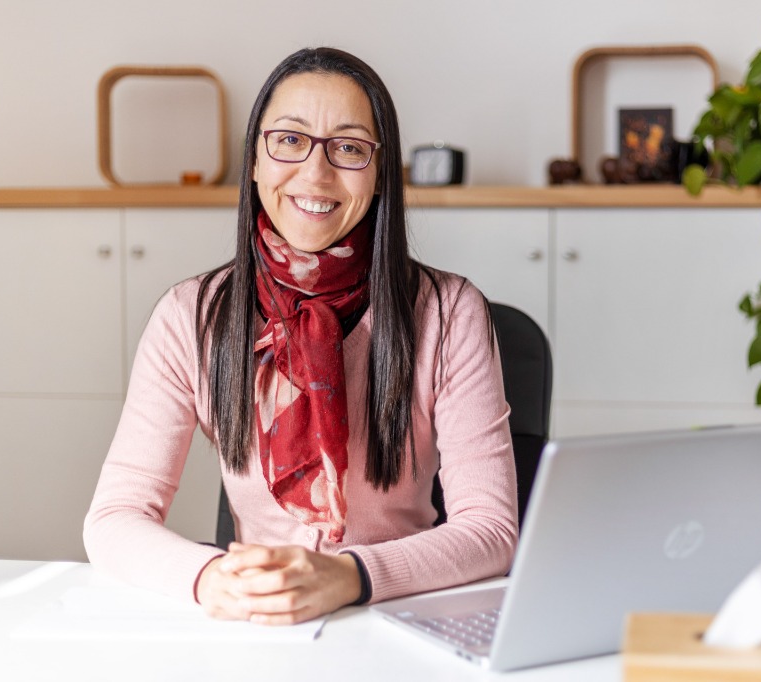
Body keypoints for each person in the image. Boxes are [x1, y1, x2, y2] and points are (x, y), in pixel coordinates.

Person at [83, 47, 518, 625]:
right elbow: (114, 518)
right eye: (289, 140)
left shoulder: (448, 313)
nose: (315, 173)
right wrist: (209, 577)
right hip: (259, 623)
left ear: (381, 170)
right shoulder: (193, 315)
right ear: (256, 161)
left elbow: (490, 530)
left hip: (398, 616)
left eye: (349, 147)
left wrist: (353, 575)